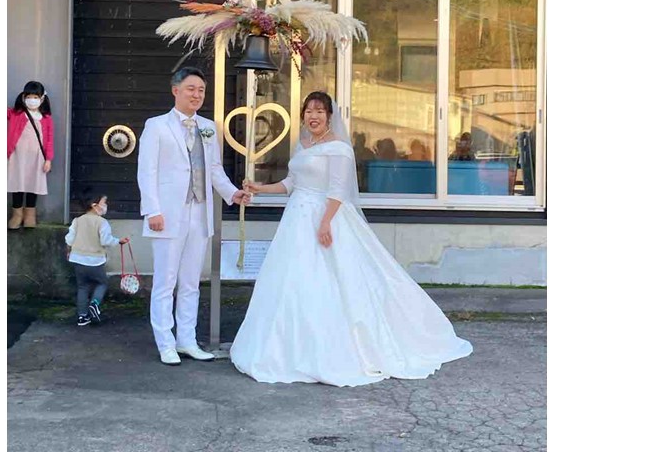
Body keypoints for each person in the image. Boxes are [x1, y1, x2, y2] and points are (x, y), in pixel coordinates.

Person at [233, 91, 472, 387]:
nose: (313, 116)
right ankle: (284, 349)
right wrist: (260, 188)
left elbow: (338, 189)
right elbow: (292, 183)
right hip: (296, 218)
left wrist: (325, 222)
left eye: (319, 111)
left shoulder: (339, 148)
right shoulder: (303, 144)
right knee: (290, 280)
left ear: (329, 116)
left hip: (326, 216)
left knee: (334, 280)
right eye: (309, 111)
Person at [136, 67, 251, 366]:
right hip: (167, 213)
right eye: (191, 88)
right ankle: (166, 342)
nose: (197, 94)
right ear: (175, 90)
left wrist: (232, 193)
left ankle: (187, 339)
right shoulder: (156, 126)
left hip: (200, 212)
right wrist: (152, 210)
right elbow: (146, 171)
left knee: (191, 282)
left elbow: (214, 169)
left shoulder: (208, 127)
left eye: (201, 90)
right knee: (165, 281)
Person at [65, 192, 129, 327]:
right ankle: (94, 304)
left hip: (77, 259)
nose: (106, 206)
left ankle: (82, 317)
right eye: (104, 203)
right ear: (94, 206)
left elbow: (69, 239)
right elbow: (105, 240)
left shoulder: (77, 221)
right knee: (102, 283)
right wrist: (118, 241)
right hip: (95, 260)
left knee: (82, 286)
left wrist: (69, 250)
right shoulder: (102, 222)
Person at [8, 81, 53, 229]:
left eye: (35, 97)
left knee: (34, 185)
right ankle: (17, 215)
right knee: (17, 184)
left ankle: (30, 216)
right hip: (18, 156)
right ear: (23, 97)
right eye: (29, 97)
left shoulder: (46, 118)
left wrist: (48, 159)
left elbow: (49, 139)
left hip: (37, 158)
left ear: (42, 98)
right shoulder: (16, 114)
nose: (32, 100)